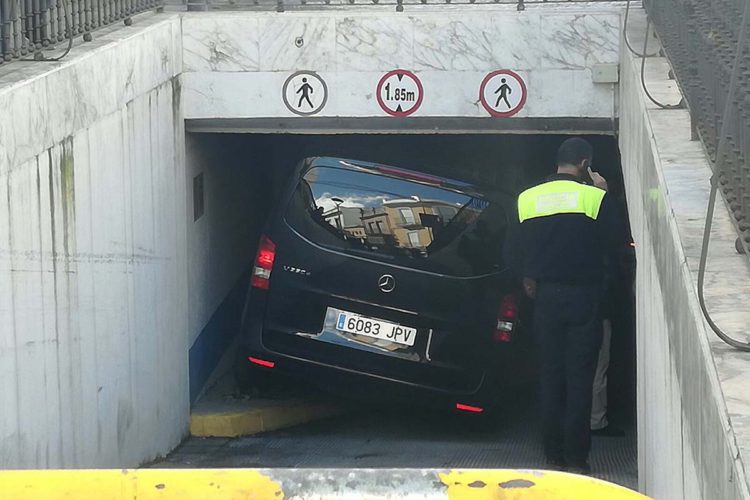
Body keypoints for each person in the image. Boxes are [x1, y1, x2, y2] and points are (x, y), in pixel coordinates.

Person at [507, 137, 620, 475]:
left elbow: (510, 253)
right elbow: (615, 243)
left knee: (550, 375)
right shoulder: (595, 198)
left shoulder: (527, 199)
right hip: (584, 297)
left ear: (557, 163)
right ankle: (576, 458)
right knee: (580, 379)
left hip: (544, 297)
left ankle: (552, 454)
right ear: (585, 164)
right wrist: (605, 191)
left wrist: (528, 278)